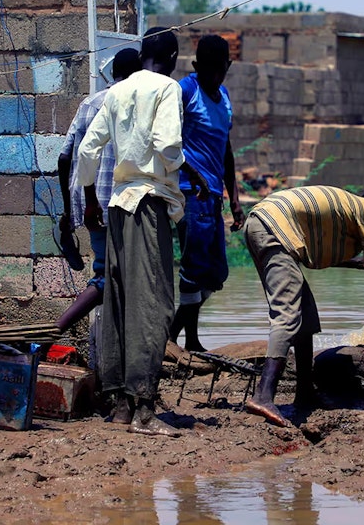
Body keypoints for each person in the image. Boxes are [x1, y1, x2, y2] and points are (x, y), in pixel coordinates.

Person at [77, 27, 209, 437]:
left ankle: (120, 406)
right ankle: (146, 412)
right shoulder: (167, 89)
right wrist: (173, 183)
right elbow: (167, 143)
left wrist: (91, 199)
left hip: (117, 206)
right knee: (154, 305)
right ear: (170, 56)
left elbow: (87, 149)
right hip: (149, 205)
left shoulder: (117, 91)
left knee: (119, 303)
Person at [242, 185, 364, 427]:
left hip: (266, 222)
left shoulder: (352, 208)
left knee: (306, 315)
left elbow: (321, 256)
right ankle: (263, 396)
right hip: (275, 230)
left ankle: (305, 392)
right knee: (287, 314)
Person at [55, 48, 142, 341]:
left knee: (115, 277)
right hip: (118, 201)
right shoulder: (134, 103)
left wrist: (69, 211)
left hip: (89, 202)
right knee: (109, 277)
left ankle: (109, 348)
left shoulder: (90, 102)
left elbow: (64, 158)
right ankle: (50, 333)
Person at [168, 35, 245, 353]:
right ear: (197, 67)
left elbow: (226, 150)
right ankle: (187, 339)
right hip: (190, 192)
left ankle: (172, 334)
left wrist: (235, 198)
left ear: (227, 67)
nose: (215, 77)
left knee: (216, 274)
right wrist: (190, 173)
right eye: (208, 71)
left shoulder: (224, 96)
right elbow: (168, 139)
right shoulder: (186, 91)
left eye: (220, 71)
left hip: (214, 196)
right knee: (194, 267)